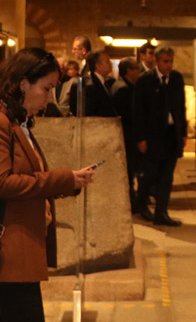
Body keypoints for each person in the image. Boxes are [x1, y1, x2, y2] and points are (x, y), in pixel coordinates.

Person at [0, 48, 96, 322]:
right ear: (23, 84)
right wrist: (62, 178)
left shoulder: (17, 121)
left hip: (19, 246)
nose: (50, 97)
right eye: (47, 88)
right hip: (5, 249)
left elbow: (28, 178)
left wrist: (69, 182)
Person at [132, 46, 186, 226]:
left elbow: (181, 107)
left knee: (167, 176)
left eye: (171, 61)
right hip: (153, 136)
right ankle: (141, 203)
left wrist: (183, 132)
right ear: (156, 61)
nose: (169, 65)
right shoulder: (145, 80)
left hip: (171, 134)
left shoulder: (177, 79)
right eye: (165, 61)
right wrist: (140, 138)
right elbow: (138, 111)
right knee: (150, 173)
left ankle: (161, 212)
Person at [112, 57, 143, 213]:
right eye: (136, 68)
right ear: (129, 71)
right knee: (129, 171)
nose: (139, 71)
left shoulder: (126, 86)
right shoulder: (123, 89)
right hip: (127, 136)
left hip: (128, 136)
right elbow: (128, 115)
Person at [68, 50, 117, 118]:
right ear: (98, 66)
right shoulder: (90, 86)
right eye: (107, 61)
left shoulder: (105, 82)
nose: (111, 64)